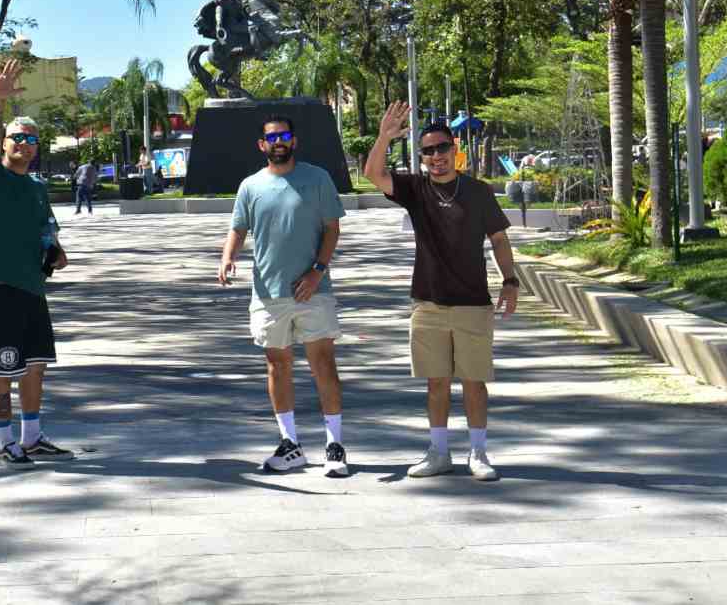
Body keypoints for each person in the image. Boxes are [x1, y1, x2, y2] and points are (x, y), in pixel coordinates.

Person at [364, 102, 518, 482]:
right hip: (428, 304)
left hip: (473, 303)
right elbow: (372, 173)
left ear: (455, 151)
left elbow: (498, 239)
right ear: (423, 158)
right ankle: (439, 452)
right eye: (428, 151)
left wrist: (510, 281)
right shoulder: (415, 190)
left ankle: (478, 453)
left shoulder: (479, 192)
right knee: (435, 381)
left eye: (442, 149)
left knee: (474, 382)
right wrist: (385, 136)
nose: (436, 157)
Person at [219, 115, 349, 478]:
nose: (279, 141)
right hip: (267, 293)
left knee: (323, 363)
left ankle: (334, 445)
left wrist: (317, 271)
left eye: (285, 135)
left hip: (313, 290)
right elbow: (238, 228)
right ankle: (290, 444)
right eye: (272, 137)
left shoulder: (317, 177)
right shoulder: (250, 186)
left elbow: (332, 229)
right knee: (278, 366)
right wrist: (228, 256)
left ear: (294, 141)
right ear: (262, 145)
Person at [0, 59, 72, 469]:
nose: (24, 144)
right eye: (18, 138)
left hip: (32, 286)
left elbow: (48, 231)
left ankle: (32, 438)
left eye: (31, 139)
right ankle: (5, 443)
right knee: (2, 367)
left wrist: (56, 251)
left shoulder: (36, 187)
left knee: (35, 365)